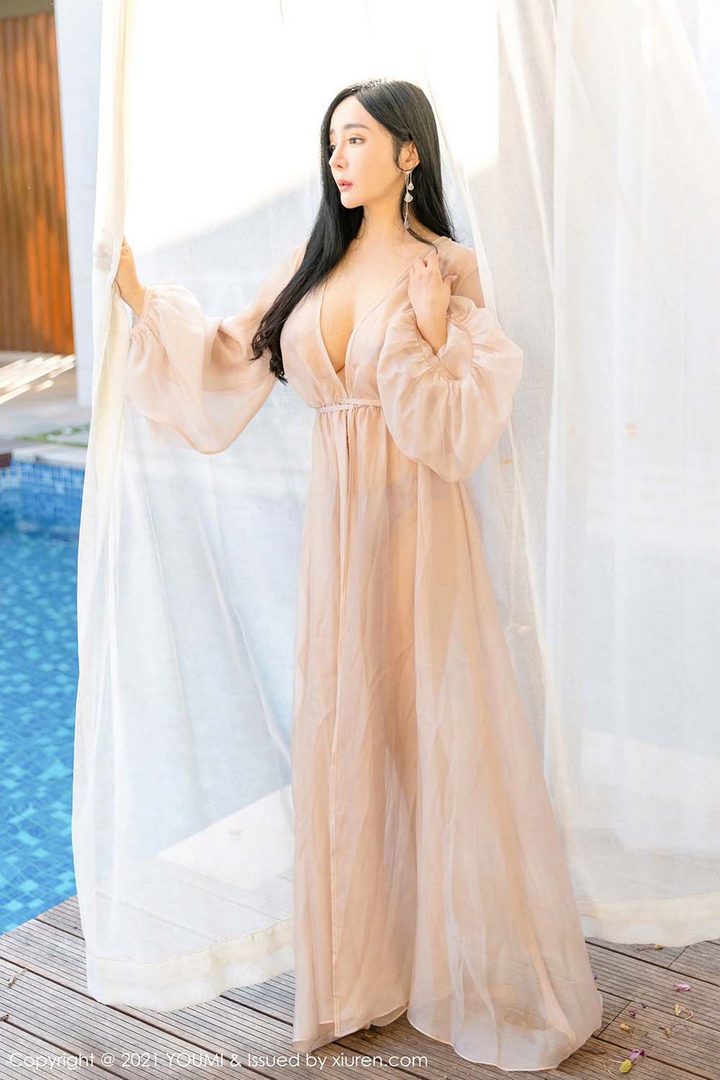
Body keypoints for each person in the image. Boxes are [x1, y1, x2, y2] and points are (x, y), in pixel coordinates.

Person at [113, 77, 603, 1072]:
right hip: (339, 541)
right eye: (332, 143)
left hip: (425, 534)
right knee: (349, 737)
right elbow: (228, 357)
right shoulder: (314, 263)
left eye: (356, 140)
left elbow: (461, 427)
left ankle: (459, 963)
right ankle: (361, 977)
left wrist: (433, 330)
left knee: (438, 736)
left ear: (408, 154)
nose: (337, 159)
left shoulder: (446, 267)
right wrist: (134, 296)